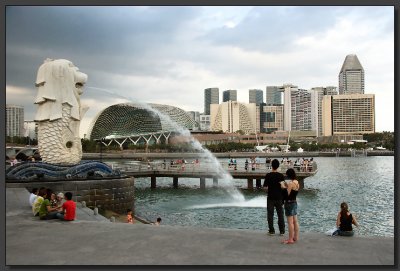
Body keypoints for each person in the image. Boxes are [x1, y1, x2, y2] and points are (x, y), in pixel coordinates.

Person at [263, 159, 285, 235]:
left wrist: (269, 191)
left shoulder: (268, 175)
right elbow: (283, 187)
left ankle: (271, 231)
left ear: (271, 166)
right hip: (279, 197)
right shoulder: (281, 176)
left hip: (270, 197)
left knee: (270, 215)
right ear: (278, 166)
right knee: (280, 215)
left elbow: (265, 187)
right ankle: (282, 231)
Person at [282, 168, 300, 244]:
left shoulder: (290, 183)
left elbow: (287, 195)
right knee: (295, 221)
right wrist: (287, 186)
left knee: (290, 222)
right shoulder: (297, 182)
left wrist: (283, 187)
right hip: (294, 202)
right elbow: (292, 193)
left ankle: (290, 239)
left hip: (289, 203)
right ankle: (296, 237)